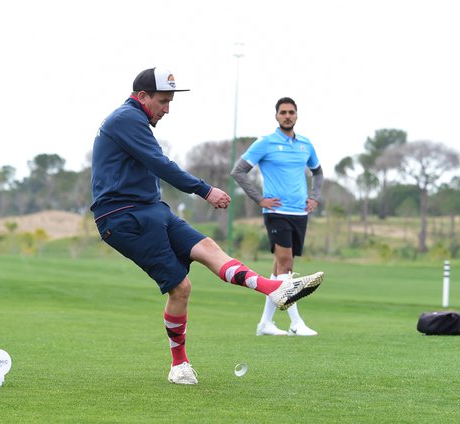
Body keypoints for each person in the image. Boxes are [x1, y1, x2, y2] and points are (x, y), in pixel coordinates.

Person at [90, 68, 324, 385]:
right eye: (163, 101)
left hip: (151, 209)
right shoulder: (125, 119)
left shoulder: (135, 120)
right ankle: (179, 365)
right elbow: (160, 164)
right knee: (181, 287)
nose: (167, 109)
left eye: (170, 101)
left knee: (208, 247)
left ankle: (276, 289)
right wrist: (204, 190)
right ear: (142, 96)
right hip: (123, 216)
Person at [231, 97, 323, 337]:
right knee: (287, 264)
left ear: (297, 115)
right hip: (276, 213)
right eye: (283, 112)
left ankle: (265, 324)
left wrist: (315, 196)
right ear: (276, 116)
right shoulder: (266, 143)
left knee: (278, 267)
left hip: (299, 213)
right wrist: (259, 199)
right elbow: (238, 171)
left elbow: (318, 171)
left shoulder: (305, 144)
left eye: (291, 112)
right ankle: (296, 323)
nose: (287, 116)